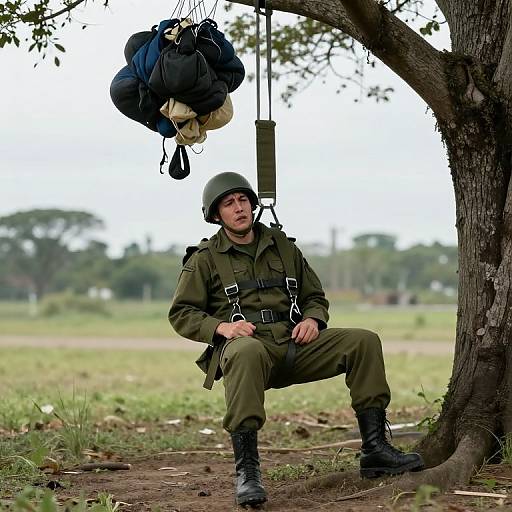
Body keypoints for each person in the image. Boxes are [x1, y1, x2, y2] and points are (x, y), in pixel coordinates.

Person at [169, 172, 424, 507]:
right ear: (216, 215)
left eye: (243, 200)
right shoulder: (205, 258)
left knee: (364, 340)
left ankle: (375, 449)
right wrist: (222, 328)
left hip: (296, 345)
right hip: (249, 352)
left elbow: (314, 296)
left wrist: (312, 319)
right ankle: (248, 472)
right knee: (245, 351)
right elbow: (181, 312)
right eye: (229, 204)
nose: (239, 208)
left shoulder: (285, 249)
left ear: (252, 204)